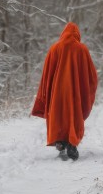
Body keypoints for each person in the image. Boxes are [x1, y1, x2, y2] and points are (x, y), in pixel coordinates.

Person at [31, 22, 98, 160]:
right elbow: (91, 76)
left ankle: (60, 141)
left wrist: (46, 92)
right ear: (77, 34)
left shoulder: (54, 48)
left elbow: (46, 75)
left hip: (56, 92)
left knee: (58, 116)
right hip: (75, 92)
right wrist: (87, 89)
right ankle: (72, 143)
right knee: (73, 115)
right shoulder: (82, 49)